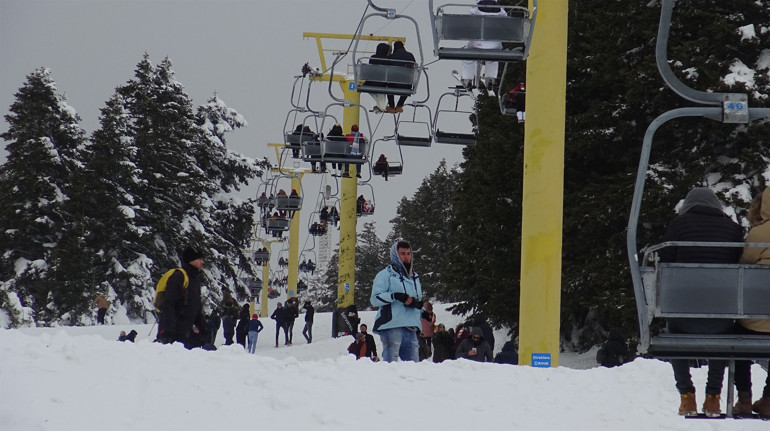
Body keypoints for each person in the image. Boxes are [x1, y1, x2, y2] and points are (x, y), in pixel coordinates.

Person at [658, 187, 744, 417]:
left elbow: (665, 264)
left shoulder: (678, 226)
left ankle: (687, 397)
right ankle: (713, 398)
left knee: (674, 335)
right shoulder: (733, 230)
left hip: (683, 316)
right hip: (721, 316)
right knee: (722, 335)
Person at [732, 187, 770, 416]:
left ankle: (744, 398)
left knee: (737, 340)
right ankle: (768, 400)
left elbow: (743, 265)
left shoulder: (759, 234)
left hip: (754, 322)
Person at [370, 240, 424, 363]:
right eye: (402, 253)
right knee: (391, 365)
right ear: (395, 255)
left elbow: (417, 299)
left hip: (412, 326)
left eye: (409, 253)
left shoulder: (414, 277)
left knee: (413, 369)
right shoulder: (385, 275)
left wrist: (424, 312)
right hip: (392, 326)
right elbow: (374, 299)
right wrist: (395, 296)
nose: (406, 257)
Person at [156, 246, 207, 349]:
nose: (203, 262)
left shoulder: (194, 279)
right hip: (173, 333)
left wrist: (203, 328)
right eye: (200, 259)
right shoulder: (179, 276)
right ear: (191, 260)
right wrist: (168, 331)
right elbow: (169, 304)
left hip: (186, 333)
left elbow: (196, 307)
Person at [460, 0, 508, 92]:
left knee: (468, 55)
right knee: (493, 58)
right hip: (494, 44)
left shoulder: (474, 10)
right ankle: (490, 78)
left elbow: (467, 23)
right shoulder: (501, 11)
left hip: (476, 43)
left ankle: (467, 78)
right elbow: (506, 24)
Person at [386, 41, 416, 113]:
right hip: (406, 82)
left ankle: (391, 106)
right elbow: (414, 66)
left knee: (388, 88)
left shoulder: (392, 56)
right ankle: (399, 105)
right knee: (407, 87)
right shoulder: (410, 55)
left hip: (394, 83)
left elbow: (386, 67)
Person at [366, 42, 391, 113]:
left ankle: (376, 106)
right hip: (382, 82)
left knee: (371, 92)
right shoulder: (388, 60)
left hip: (371, 81)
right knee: (381, 93)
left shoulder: (373, 57)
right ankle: (381, 107)